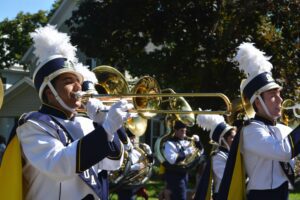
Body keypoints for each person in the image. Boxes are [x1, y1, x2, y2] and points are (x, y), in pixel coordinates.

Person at [16, 25, 133, 200]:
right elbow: (58, 166)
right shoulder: (33, 125)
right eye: (68, 81)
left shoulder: (87, 122)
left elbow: (113, 163)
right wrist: (106, 129)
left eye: (78, 81)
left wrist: (104, 124)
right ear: (49, 92)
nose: (78, 87)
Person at [218, 42, 300, 200]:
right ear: (258, 102)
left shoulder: (284, 129)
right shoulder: (250, 131)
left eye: (279, 94)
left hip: (283, 194)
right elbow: (283, 151)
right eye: (273, 96)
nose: (280, 100)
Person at [194, 112, 236, 200]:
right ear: (223, 139)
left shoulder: (231, 154)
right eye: (232, 137)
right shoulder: (217, 156)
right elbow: (228, 176)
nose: (235, 140)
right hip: (222, 195)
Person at [162, 120, 203, 200]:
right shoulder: (169, 143)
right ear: (175, 131)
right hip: (174, 176)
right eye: (181, 131)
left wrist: (198, 142)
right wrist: (186, 152)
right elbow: (172, 160)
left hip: (184, 174)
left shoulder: (186, 142)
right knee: (180, 197)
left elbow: (200, 152)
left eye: (185, 131)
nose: (184, 133)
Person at [116, 129, 153, 200]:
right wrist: (134, 167)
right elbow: (117, 169)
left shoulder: (136, 151)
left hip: (136, 183)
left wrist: (149, 153)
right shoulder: (120, 151)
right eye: (130, 138)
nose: (133, 141)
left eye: (133, 138)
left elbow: (150, 163)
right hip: (125, 184)